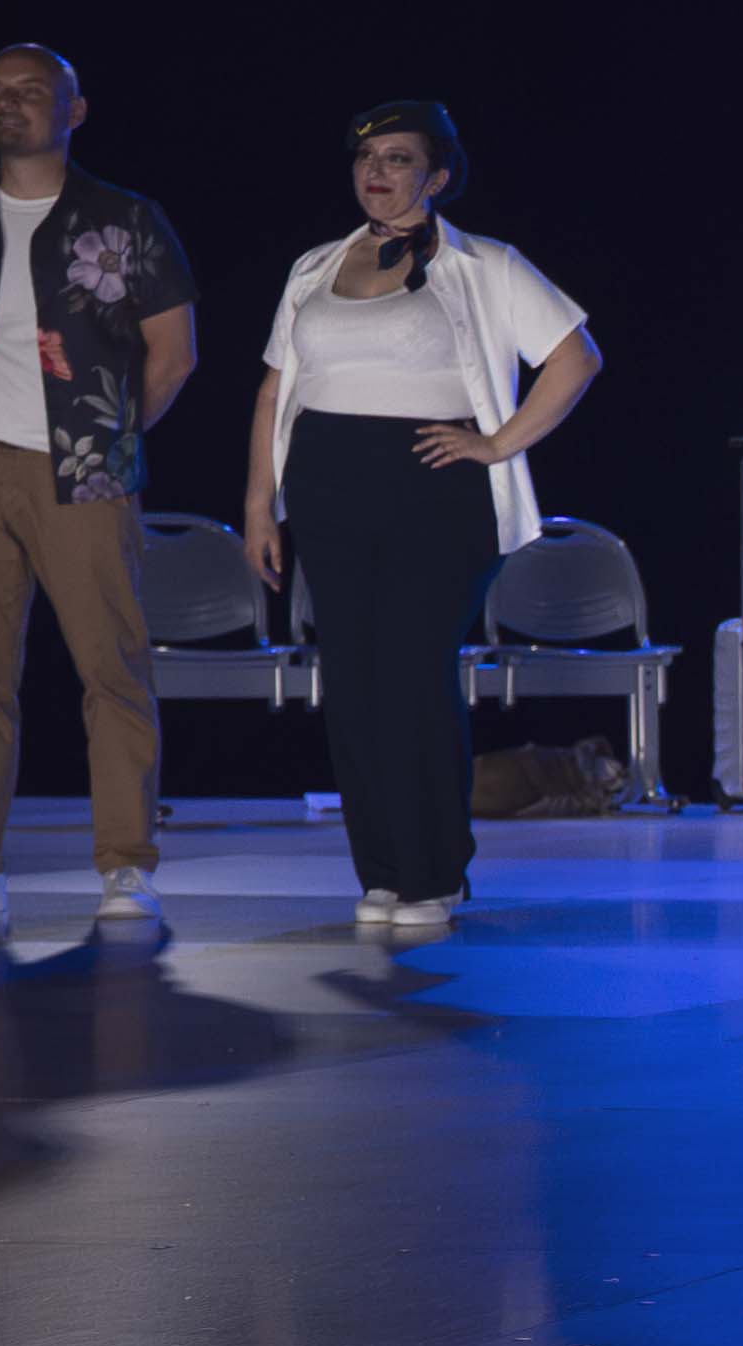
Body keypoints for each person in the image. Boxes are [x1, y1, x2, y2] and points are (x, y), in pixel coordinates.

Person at [236, 101, 599, 934]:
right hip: (326, 486)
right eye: (367, 156)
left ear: (435, 176)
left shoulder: (484, 263)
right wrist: (261, 504)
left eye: (398, 158)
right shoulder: (314, 268)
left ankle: (434, 871)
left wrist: (497, 443)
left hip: (432, 489)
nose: (377, 171)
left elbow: (575, 357)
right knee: (354, 683)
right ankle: (383, 872)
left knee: (410, 674)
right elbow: (271, 390)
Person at [0, 42, 199, 936]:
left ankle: (127, 867)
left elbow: (174, 354)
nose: (10, 104)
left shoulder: (127, 219)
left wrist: (108, 437)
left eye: (32, 91)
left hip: (82, 470)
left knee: (112, 671)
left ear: (75, 109)